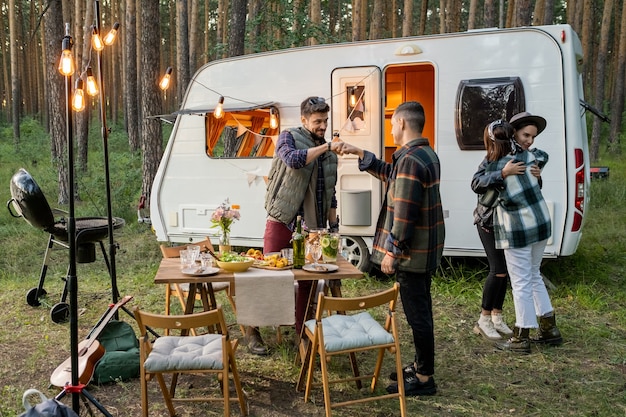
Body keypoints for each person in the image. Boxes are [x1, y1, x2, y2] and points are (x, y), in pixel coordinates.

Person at [339, 101, 445, 396]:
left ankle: (424, 378)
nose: (390, 127)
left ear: (401, 123)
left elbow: (405, 211)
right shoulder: (423, 153)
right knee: (420, 309)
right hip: (426, 250)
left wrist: (392, 251)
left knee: (418, 315)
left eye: (392, 122)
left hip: (412, 254)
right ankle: (421, 366)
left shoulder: (411, 160)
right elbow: (393, 175)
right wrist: (361, 154)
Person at [256, 96, 343, 355]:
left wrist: (334, 225)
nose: (322, 126)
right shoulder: (287, 137)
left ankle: (301, 333)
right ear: (303, 120)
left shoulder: (329, 152)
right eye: (317, 121)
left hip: (312, 226)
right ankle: (254, 330)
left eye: (325, 121)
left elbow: (331, 190)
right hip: (282, 218)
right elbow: (293, 160)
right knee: (266, 277)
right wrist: (326, 147)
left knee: (308, 282)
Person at [482, 114, 562, 354]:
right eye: (526, 135)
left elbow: (476, 182)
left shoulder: (498, 163)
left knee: (520, 282)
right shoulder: (532, 157)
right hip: (540, 224)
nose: (529, 140)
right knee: (534, 275)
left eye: (532, 137)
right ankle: (549, 329)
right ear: (513, 133)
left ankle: (521, 336)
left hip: (518, 228)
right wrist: (535, 169)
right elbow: (543, 156)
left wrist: (505, 173)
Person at [470, 122, 542, 340]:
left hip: (508, 224)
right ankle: (483, 320)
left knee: (506, 272)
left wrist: (537, 177)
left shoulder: (519, 157)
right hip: (489, 223)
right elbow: (476, 183)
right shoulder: (491, 161)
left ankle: (496, 317)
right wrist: (502, 173)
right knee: (498, 270)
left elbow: (529, 190)